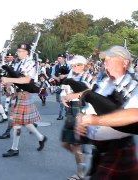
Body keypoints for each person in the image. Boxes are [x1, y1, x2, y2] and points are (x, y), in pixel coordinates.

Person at [75, 46, 138, 179]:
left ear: (125, 62)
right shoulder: (103, 83)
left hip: (119, 150)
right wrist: (81, 119)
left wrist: (95, 120)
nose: (105, 63)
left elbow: (134, 114)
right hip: (99, 152)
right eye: (104, 60)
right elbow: (90, 108)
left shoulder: (133, 86)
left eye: (109, 59)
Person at [1, 44, 47, 157]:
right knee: (24, 121)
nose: (19, 53)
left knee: (17, 122)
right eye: (18, 51)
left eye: (22, 51)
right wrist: (8, 84)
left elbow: (26, 80)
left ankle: (14, 148)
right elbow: (16, 78)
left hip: (24, 94)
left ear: (27, 52)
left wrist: (8, 79)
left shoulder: (31, 63)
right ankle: (41, 138)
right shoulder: (18, 63)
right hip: (16, 93)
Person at [60, 55, 89, 179]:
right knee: (65, 143)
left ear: (83, 65)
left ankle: (80, 173)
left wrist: (74, 95)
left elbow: (90, 92)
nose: (74, 67)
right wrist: (63, 98)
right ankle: (85, 161)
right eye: (73, 65)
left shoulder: (87, 76)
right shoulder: (71, 76)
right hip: (71, 110)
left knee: (76, 144)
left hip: (82, 108)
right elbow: (64, 90)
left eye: (77, 65)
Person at [51, 54, 70, 120]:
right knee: (59, 100)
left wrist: (64, 76)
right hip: (58, 84)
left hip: (66, 85)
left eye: (60, 58)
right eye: (58, 58)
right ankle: (66, 110)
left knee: (64, 99)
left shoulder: (69, 66)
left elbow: (72, 74)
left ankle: (61, 114)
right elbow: (52, 75)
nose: (59, 59)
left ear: (64, 59)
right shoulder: (56, 66)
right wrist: (56, 78)